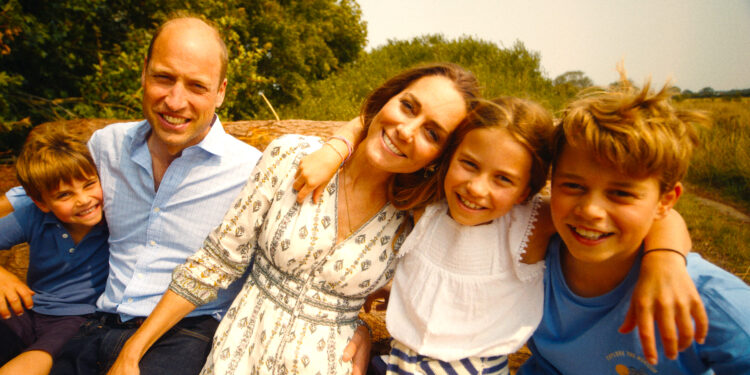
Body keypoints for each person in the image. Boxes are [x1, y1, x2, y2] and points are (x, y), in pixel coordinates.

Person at [107, 62, 481, 375]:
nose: (406, 130)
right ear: (387, 100)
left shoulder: (415, 220)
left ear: (439, 156)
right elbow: (216, 262)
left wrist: (363, 327)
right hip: (238, 356)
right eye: (408, 107)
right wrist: (133, 350)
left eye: (432, 133)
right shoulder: (292, 156)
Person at [299, 96, 701, 375]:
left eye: (503, 179)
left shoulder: (530, 223)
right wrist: (335, 148)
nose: (477, 188)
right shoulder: (428, 205)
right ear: (448, 159)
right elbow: (371, 124)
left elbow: (659, 215)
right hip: (402, 363)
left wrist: (665, 258)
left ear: (527, 189)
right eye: (469, 165)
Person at [42, 15, 263, 375]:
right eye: (164, 78)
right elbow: (33, 197)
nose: (175, 101)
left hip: (189, 334)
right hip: (96, 324)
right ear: (144, 72)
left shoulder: (251, 171)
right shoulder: (106, 147)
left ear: (220, 92)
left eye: (196, 86)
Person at [517, 73, 750, 374]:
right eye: (573, 186)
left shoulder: (707, 302)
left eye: (621, 194)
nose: (591, 210)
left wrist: (665, 258)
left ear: (666, 200)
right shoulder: (531, 258)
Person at [0, 125, 109, 375]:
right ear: (41, 202)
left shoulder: (113, 219)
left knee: (33, 362)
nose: (83, 199)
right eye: (64, 195)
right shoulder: (33, 216)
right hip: (31, 308)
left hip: (80, 318)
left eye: (90, 184)